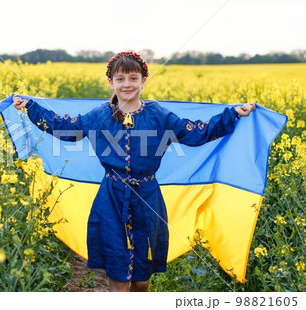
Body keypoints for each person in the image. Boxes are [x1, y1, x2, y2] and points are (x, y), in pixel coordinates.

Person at [13, 51, 255, 292]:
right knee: (117, 269)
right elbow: (64, 127)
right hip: (111, 197)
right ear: (111, 82)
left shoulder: (158, 115)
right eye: (120, 79)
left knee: (142, 277)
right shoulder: (99, 115)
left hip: (148, 198)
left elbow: (195, 131)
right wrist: (31, 107)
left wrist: (232, 114)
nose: (126, 84)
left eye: (132, 78)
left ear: (143, 80)